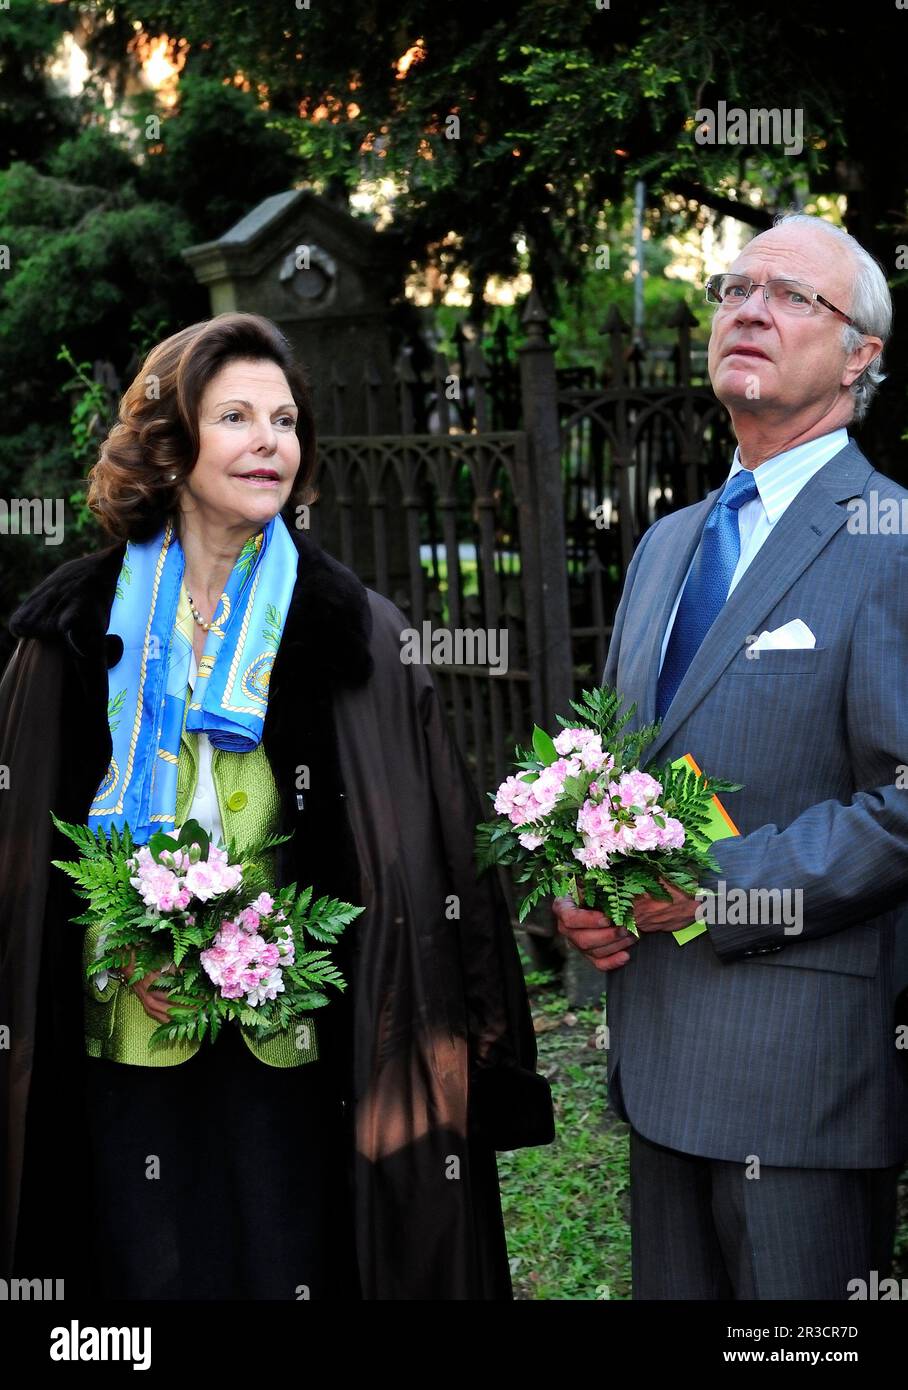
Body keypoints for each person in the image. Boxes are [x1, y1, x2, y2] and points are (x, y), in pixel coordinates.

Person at [0, 311, 554, 1300]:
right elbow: (18, 868)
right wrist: (116, 952)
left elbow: (435, 851)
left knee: (295, 1263)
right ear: (169, 445)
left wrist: (472, 1036)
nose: (269, 441)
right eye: (236, 416)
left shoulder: (356, 633)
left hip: (306, 1055)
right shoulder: (73, 631)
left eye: (286, 420)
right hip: (126, 1053)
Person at [555, 212, 908, 1300]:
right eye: (733, 288)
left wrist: (710, 893)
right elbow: (614, 776)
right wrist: (578, 891)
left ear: (860, 356)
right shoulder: (666, 543)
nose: (747, 308)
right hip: (654, 1061)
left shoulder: (887, 538)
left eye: (791, 296)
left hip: (801, 1077)